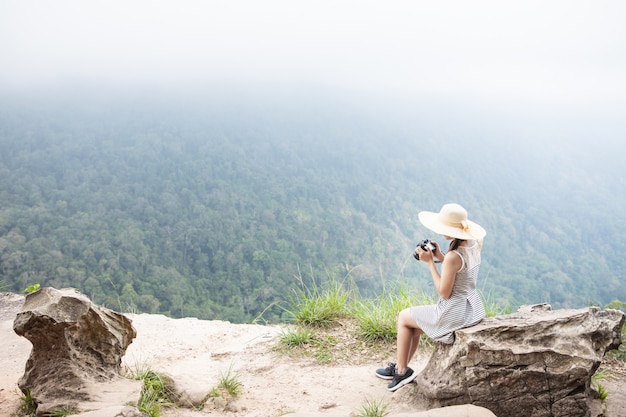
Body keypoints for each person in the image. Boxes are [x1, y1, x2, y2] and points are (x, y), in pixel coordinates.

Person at [376, 203, 487, 391]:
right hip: (471, 309)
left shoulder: (454, 255)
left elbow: (444, 292)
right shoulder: (473, 245)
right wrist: (441, 256)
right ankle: (400, 367)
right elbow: (461, 270)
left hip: (454, 312)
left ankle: (402, 371)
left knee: (404, 317)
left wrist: (430, 263)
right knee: (414, 327)